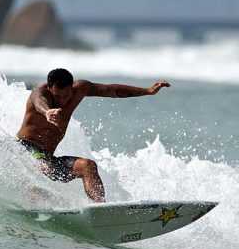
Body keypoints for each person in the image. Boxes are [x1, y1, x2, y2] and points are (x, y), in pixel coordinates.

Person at [16, 68, 170, 203]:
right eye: (57, 96)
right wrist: (47, 111)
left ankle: (99, 210)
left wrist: (148, 91)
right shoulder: (40, 93)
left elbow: (111, 90)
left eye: (66, 96)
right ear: (49, 88)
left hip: (47, 155)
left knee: (88, 166)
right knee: (44, 167)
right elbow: (38, 101)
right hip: (25, 149)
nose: (62, 100)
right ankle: (32, 200)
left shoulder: (80, 89)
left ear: (72, 87)